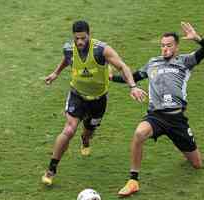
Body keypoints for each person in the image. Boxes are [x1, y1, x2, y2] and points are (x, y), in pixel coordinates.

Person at [111, 22, 204, 197]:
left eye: (169, 45)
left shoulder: (185, 61)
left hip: (177, 119)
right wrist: (112, 77)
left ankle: (182, 146)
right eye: (162, 45)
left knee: (197, 164)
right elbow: (134, 77)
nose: (165, 48)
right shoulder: (153, 63)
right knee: (138, 134)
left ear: (176, 47)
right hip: (156, 116)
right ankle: (133, 180)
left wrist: (197, 38)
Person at [42, 20, 146, 186]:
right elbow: (67, 59)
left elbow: (122, 66)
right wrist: (55, 73)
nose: (80, 42)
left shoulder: (101, 50)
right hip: (77, 95)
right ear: (73, 37)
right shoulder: (69, 48)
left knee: (89, 131)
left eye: (83, 38)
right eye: (77, 38)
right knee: (69, 130)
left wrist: (133, 86)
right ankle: (51, 169)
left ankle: (85, 139)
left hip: (98, 99)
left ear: (89, 34)